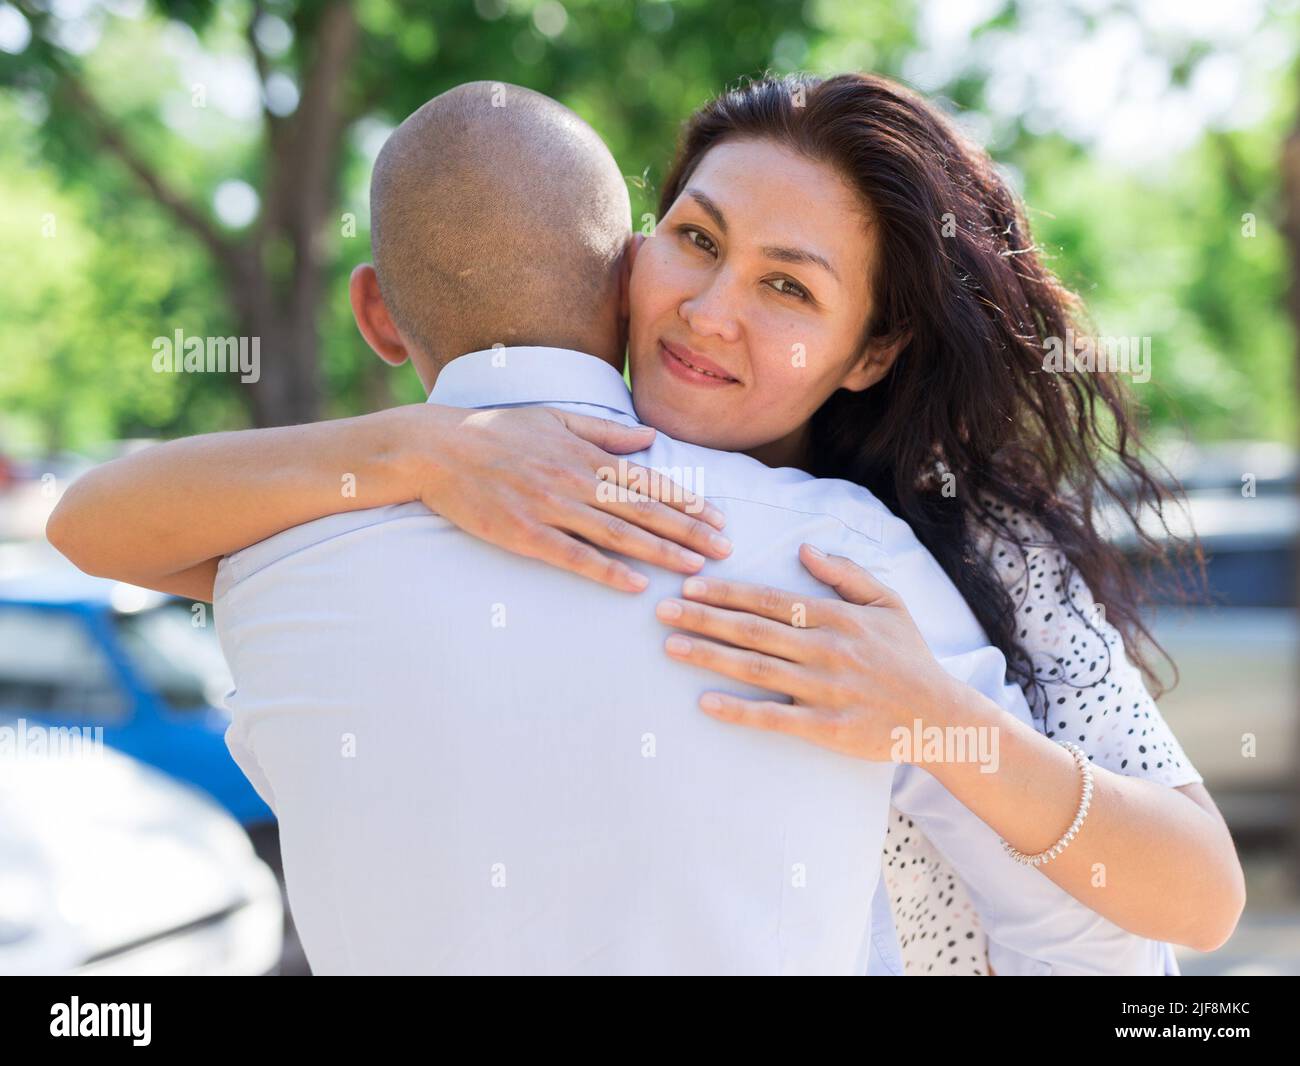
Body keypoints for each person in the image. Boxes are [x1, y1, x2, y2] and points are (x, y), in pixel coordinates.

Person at [48, 78, 1243, 974]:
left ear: (872, 350)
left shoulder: (939, 553)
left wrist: (934, 716)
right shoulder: (473, 486)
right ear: (624, 252)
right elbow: (95, 527)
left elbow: (1194, 903)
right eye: (696, 239)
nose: (708, 313)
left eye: (787, 285)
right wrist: (416, 447)